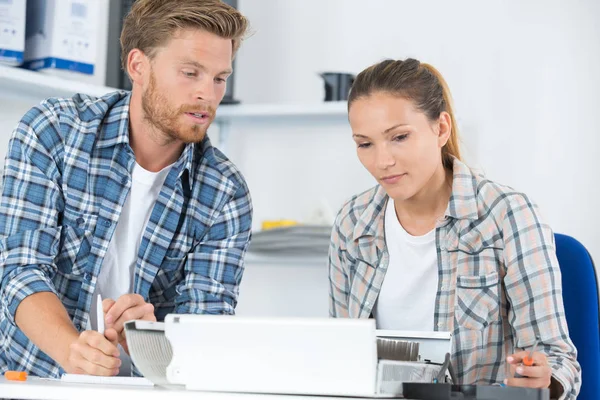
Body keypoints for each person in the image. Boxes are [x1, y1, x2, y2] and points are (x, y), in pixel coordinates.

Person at [0, 0, 252, 377]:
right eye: (190, 73)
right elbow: (20, 269)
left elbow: (206, 332)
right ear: (138, 66)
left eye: (219, 78)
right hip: (28, 378)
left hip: (136, 386)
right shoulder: (54, 132)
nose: (208, 94)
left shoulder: (225, 193)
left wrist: (147, 338)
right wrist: (73, 352)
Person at [328, 58, 580, 399]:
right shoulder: (352, 223)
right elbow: (340, 356)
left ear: (441, 129)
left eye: (399, 137)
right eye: (365, 144)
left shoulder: (508, 215)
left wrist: (542, 380)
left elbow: (557, 358)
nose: (382, 161)